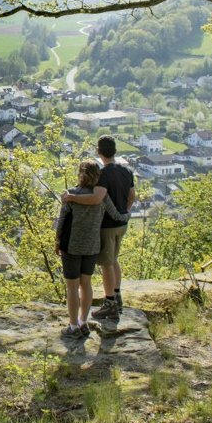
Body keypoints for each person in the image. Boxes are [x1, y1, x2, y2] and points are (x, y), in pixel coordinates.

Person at [62, 135, 135, 319]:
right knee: (114, 260)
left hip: (108, 226)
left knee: (106, 263)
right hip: (121, 223)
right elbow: (132, 195)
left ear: (98, 151)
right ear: (115, 151)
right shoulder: (126, 171)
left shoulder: (103, 175)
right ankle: (117, 295)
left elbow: (97, 198)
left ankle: (110, 302)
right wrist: (125, 212)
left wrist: (71, 197)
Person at [55, 159, 126, 338]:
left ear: (81, 174)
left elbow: (62, 221)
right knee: (85, 284)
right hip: (93, 246)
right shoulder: (102, 197)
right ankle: (83, 322)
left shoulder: (71, 194)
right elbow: (116, 215)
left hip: (71, 245)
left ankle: (72, 327)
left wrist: (57, 241)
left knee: (72, 287)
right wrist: (128, 213)